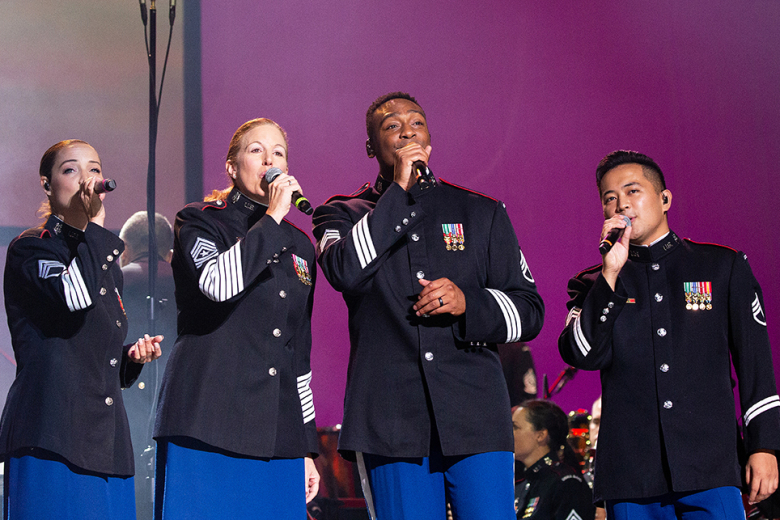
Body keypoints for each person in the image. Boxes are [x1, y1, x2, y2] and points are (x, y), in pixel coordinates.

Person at [313, 92, 545, 520]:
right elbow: (344, 271)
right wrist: (400, 192)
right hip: (390, 422)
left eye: (416, 123)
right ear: (371, 147)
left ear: (430, 140)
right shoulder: (340, 214)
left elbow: (529, 311)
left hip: (476, 416)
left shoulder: (481, 211)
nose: (407, 131)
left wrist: (468, 303)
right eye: (391, 126)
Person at [558, 150, 780, 519]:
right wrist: (610, 273)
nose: (621, 204)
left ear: (665, 199)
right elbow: (582, 354)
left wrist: (765, 446)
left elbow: (756, 365)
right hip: (630, 475)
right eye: (610, 198)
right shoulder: (593, 282)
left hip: (710, 466)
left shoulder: (721, 266)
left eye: (632, 191)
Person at [153, 118, 320, 519]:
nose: (269, 160)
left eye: (278, 152)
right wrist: (273, 218)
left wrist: (306, 447)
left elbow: (298, 354)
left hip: (278, 431)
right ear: (231, 166)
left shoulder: (300, 245)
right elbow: (217, 284)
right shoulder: (200, 220)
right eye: (256, 150)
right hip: (207, 418)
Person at [0, 139, 162, 519]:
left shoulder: (103, 260)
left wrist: (130, 359)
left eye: (94, 169)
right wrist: (96, 228)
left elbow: (91, 352)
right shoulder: (32, 248)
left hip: (106, 442)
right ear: (47, 184)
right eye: (71, 169)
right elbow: (73, 297)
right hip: (51, 434)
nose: (87, 179)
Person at [119, 211, 177, 520]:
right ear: (170, 253)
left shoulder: (116, 281)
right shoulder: (188, 284)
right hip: (177, 412)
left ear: (125, 250)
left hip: (125, 413)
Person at [512, 400, 595, 520]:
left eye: (515, 427)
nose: (509, 434)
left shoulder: (566, 483)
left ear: (540, 435)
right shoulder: (522, 484)